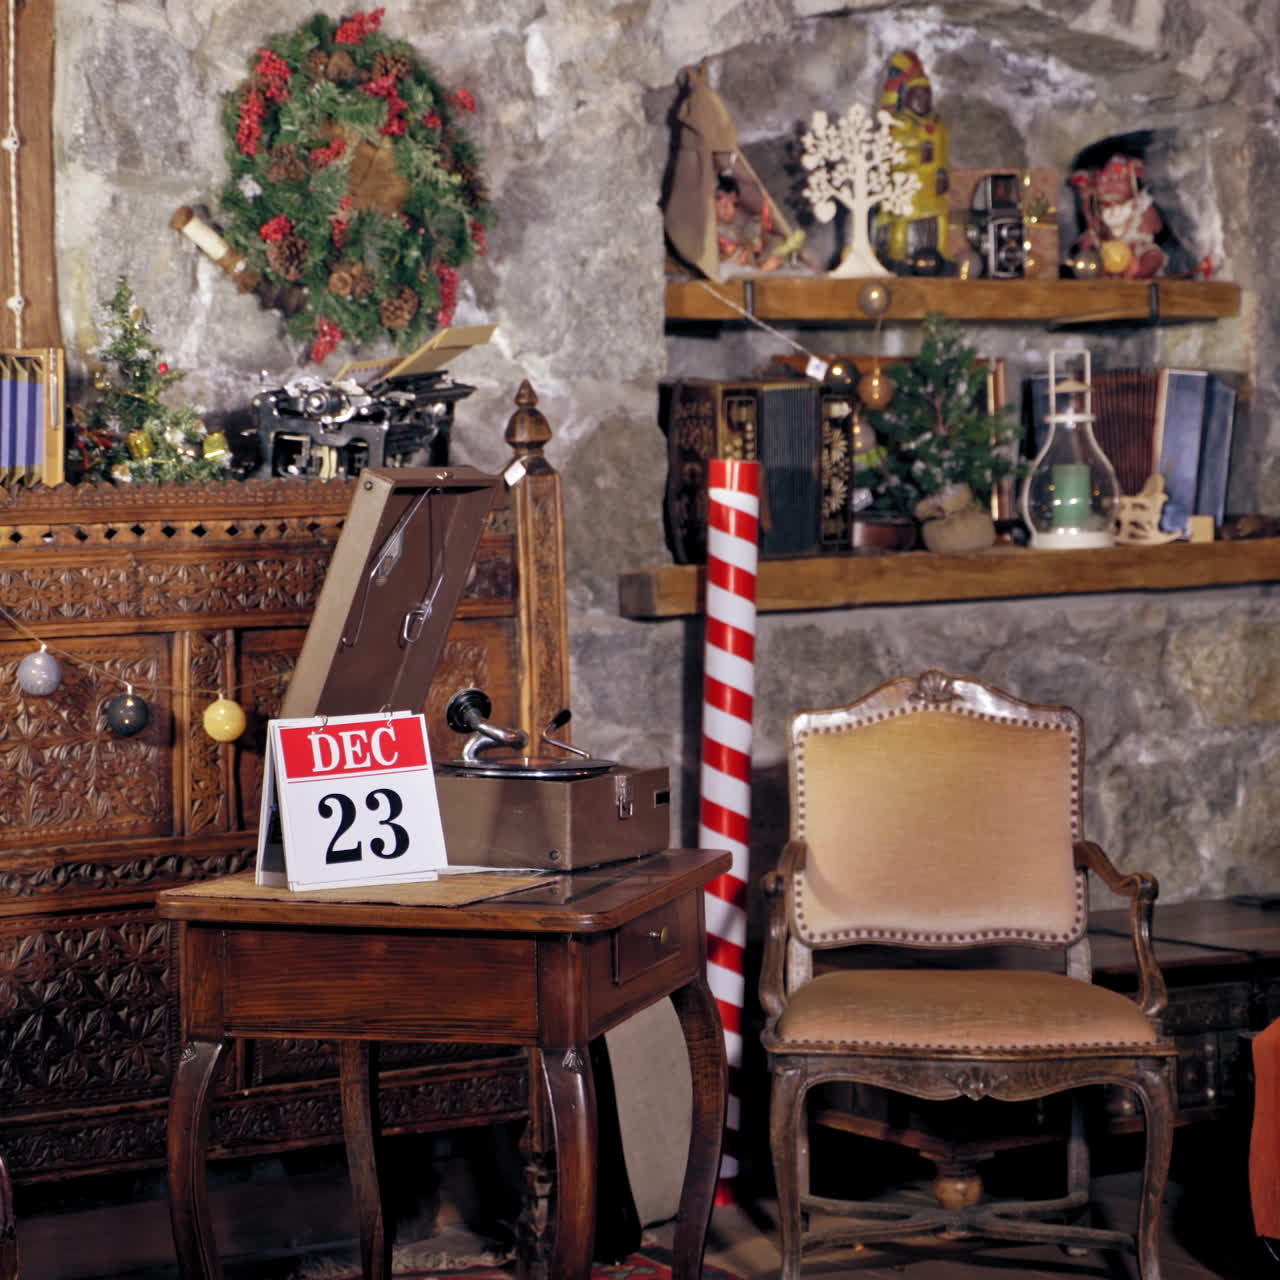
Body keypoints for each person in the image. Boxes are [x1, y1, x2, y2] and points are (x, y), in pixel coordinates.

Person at [873, 49, 950, 269]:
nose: (924, 99)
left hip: (933, 187)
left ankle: (940, 252)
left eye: (928, 94)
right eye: (918, 93)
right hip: (906, 186)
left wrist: (943, 174)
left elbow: (943, 153)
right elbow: (891, 155)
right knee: (902, 220)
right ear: (905, 97)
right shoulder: (897, 123)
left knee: (940, 219)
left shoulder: (939, 124)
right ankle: (896, 255)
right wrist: (917, 155)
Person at [714, 173, 784, 272]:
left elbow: (752, 241)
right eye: (719, 199)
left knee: (776, 241)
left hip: (748, 264)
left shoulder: (734, 230)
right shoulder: (710, 232)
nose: (726, 208)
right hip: (728, 272)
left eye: (733, 204)